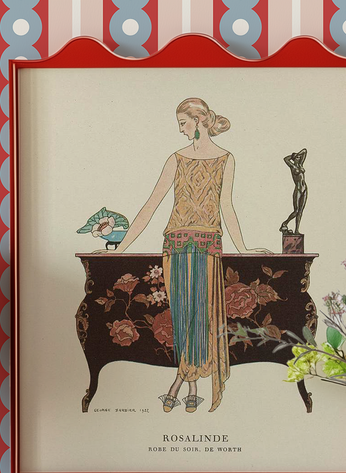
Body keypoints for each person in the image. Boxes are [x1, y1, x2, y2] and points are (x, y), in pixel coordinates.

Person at [109, 97, 268, 412]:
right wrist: (120, 247)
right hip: (176, 245)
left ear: (200, 120)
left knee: (201, 317)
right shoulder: (176, 159)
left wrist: (244, 248)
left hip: (209, 245)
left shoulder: (226, 158)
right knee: (183, 318)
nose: (181, 131)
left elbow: (227, 207)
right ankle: (192, 384)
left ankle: (180, 384)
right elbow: (151, 204)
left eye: (183, 123)